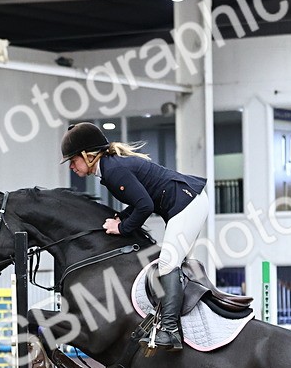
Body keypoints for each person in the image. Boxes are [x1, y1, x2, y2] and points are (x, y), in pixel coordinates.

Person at [60, 122, 208, 352]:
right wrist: (122, 219)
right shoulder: (110, 168)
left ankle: (170, 331)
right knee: (174, 263)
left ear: (87, 156)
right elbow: (140, 201)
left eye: (73, 160)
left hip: (187, 203)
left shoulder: (112, 170)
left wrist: (122, 228)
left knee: (168, 263)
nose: (71, 166)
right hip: (186, 202)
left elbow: (145, 206)